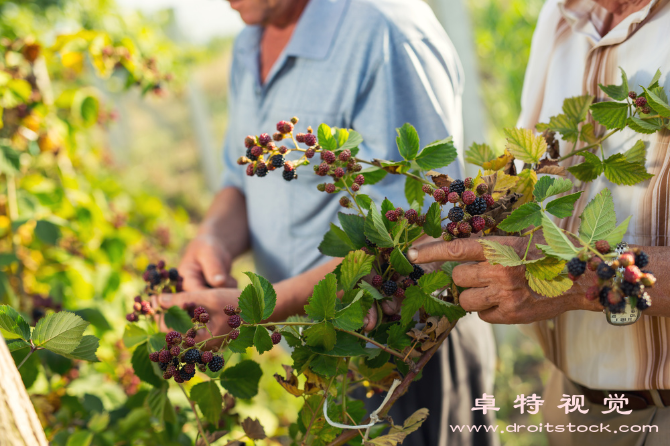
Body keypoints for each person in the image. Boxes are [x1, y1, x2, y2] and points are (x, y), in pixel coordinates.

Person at [157, 0, 497, 444]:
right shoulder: (249, 42)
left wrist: (256, 314)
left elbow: (418, 236)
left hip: (402, 348)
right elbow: (240, 180)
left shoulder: (385, 31)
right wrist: (211, 241)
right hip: (322, 349)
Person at [408, 0, 670, 444]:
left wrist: (567, 279)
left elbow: (558, 275)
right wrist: (453, 240)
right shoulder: (560, 16)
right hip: (570, 403)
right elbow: (529, 180)